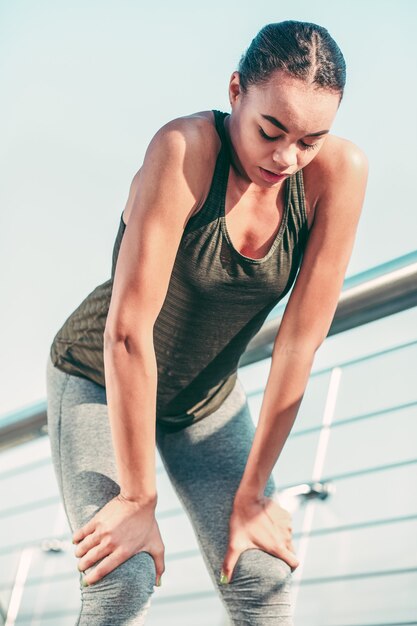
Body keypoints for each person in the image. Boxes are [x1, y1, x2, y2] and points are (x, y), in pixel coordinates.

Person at [45, 19, 368, 626]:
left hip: (205, 399)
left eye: (309, 140)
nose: (287, 157)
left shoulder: (340, 175)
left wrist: (252, 494)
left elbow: (299, 344)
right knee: (124, 575)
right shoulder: (184, 150)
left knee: (263, 578)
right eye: (271, 131)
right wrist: (139, 499)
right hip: (99, 375)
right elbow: (127, 332)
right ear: (235, 91)